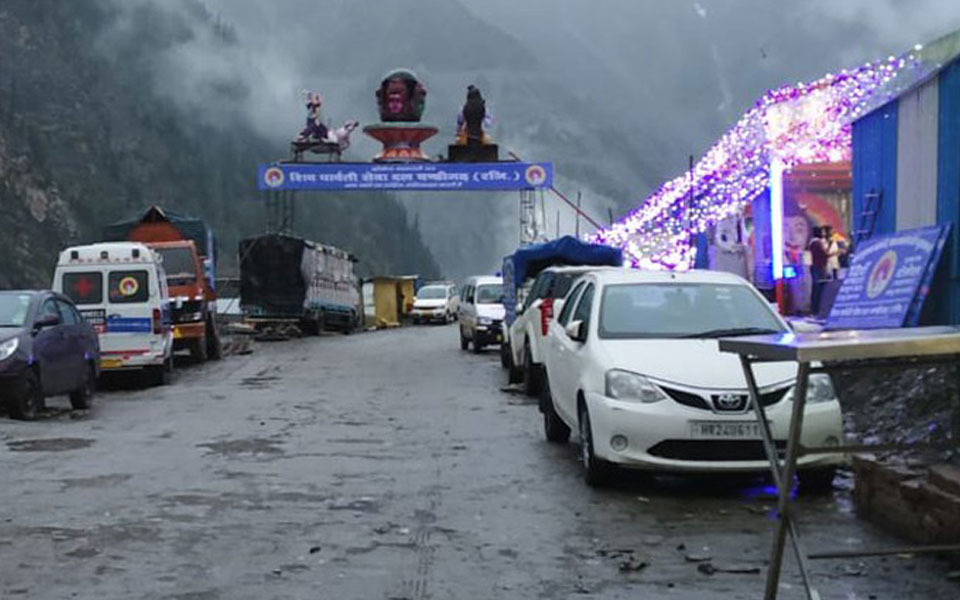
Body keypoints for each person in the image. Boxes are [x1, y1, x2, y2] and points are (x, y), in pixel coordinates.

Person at [808, 227, 828, 316]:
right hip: (818, 267)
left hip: (815, 266)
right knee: (818, 288)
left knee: (816, 288)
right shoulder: (817, 243)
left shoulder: (812, 243)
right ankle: (817, 309)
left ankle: (814, 309)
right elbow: (823, 255)